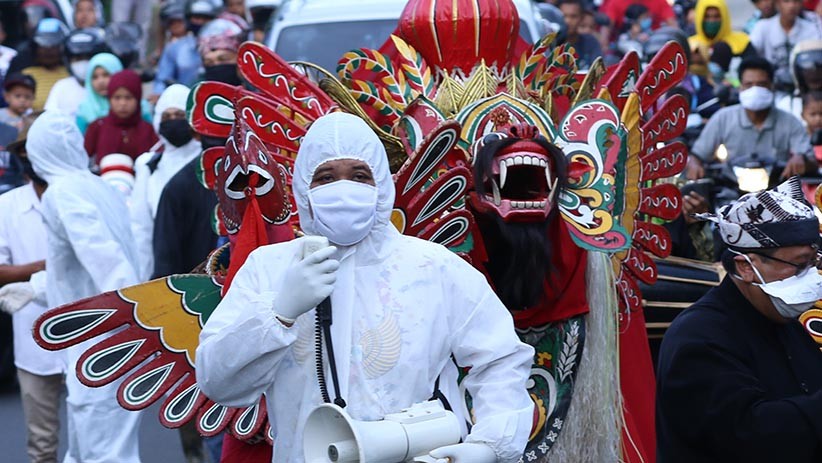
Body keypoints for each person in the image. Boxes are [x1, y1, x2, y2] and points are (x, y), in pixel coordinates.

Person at [196, 112, 534, 463]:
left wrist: (489, 445)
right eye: (325, 178)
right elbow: (219, 381)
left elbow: (501, 359)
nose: (343, 190)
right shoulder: (268, 269)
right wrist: (278, 313)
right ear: (303, 188)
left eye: (359, 176)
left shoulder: (433, 267)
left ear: (381, 186)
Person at [656, 177, 822, 462]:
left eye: (814, 263)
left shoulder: (783, 320)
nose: (810, 276)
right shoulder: (698, 338)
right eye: (800, 265)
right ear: (746, 267)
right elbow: (748, 435)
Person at [18, 110, 143, 462]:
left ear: (39, 152)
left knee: (104, 452)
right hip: (111, 339)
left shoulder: (61, 194)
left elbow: (105, 258)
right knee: (93, 448)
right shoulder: (98, 186)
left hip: (100, 344)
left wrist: (128, 311)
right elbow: (76, 272)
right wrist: (38, 287)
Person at [0, 112, 63, 463]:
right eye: (25, 151)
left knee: (97, 441)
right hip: (32, 340)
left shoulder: (85, 197)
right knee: (41, 445)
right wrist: (44, 268)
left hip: (87, 338)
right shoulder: (7, 206)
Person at [686, 57, 814, 179]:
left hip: (776, 190)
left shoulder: (790, 122)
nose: (755, 90)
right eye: (749, 85)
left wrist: (801, 158)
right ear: (740, 87)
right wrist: (694, 164)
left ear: (771, 86)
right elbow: (698, 155)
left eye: (761, 84)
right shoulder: (723, 118)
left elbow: (811, 161)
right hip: (730, 188)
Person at [130, 84, 201, 281]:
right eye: (166, 117)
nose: (172, 121)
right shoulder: (149, 165)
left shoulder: (206, 160)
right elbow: (140, 227)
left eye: (179, 115)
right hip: (162, 261)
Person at [84, 69, 158, 165]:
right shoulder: (97, 127)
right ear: (109, 99)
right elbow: (82, 160)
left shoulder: (149, 131)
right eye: (117, 97)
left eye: (128, 97)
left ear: (138, 98)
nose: (122, 103)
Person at [150, 0, 219, 101]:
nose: (201, 22)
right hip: (183, 103)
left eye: (206, 18)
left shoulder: (226, 47)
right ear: (188, 19)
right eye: (197, 18)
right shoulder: (175, 48)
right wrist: (161, 95)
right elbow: (162, 80)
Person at [750, 0, 822, 81]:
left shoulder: (811, 29)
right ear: (777, 3)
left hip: (803, 83)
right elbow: (751, 53)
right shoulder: (762, 27)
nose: (792, 6)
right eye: (786, 1)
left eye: (796, 1)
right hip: (770, 83)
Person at [43, 27, 106, 118]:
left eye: (87, 58)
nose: (83, 63)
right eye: (78, 59)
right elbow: (49, 118)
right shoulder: (61, 87)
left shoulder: (105, 87)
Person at [8, 18, 70, 111]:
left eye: (53, 46)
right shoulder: (25, 76)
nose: (48, 51)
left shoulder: (71, 73)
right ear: (34, 47)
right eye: (43, 45)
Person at [688, 0, 755, 74]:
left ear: (724, 16)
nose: (712, 21)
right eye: (707, 16)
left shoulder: (742, 42)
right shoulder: (691, 45)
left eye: (716, 16)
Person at [75, 52, 122, 134]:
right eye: (94, 77)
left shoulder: (137, 106)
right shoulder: (84, 109)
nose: (100, 81)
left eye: (106, 75)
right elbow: (78, 142)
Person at [557, 0, 603, 70]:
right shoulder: (551, 44)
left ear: (581, 18)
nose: (568, 21)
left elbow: (597, 72)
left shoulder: (590, 43)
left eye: (573, 16)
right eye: (564, 16)